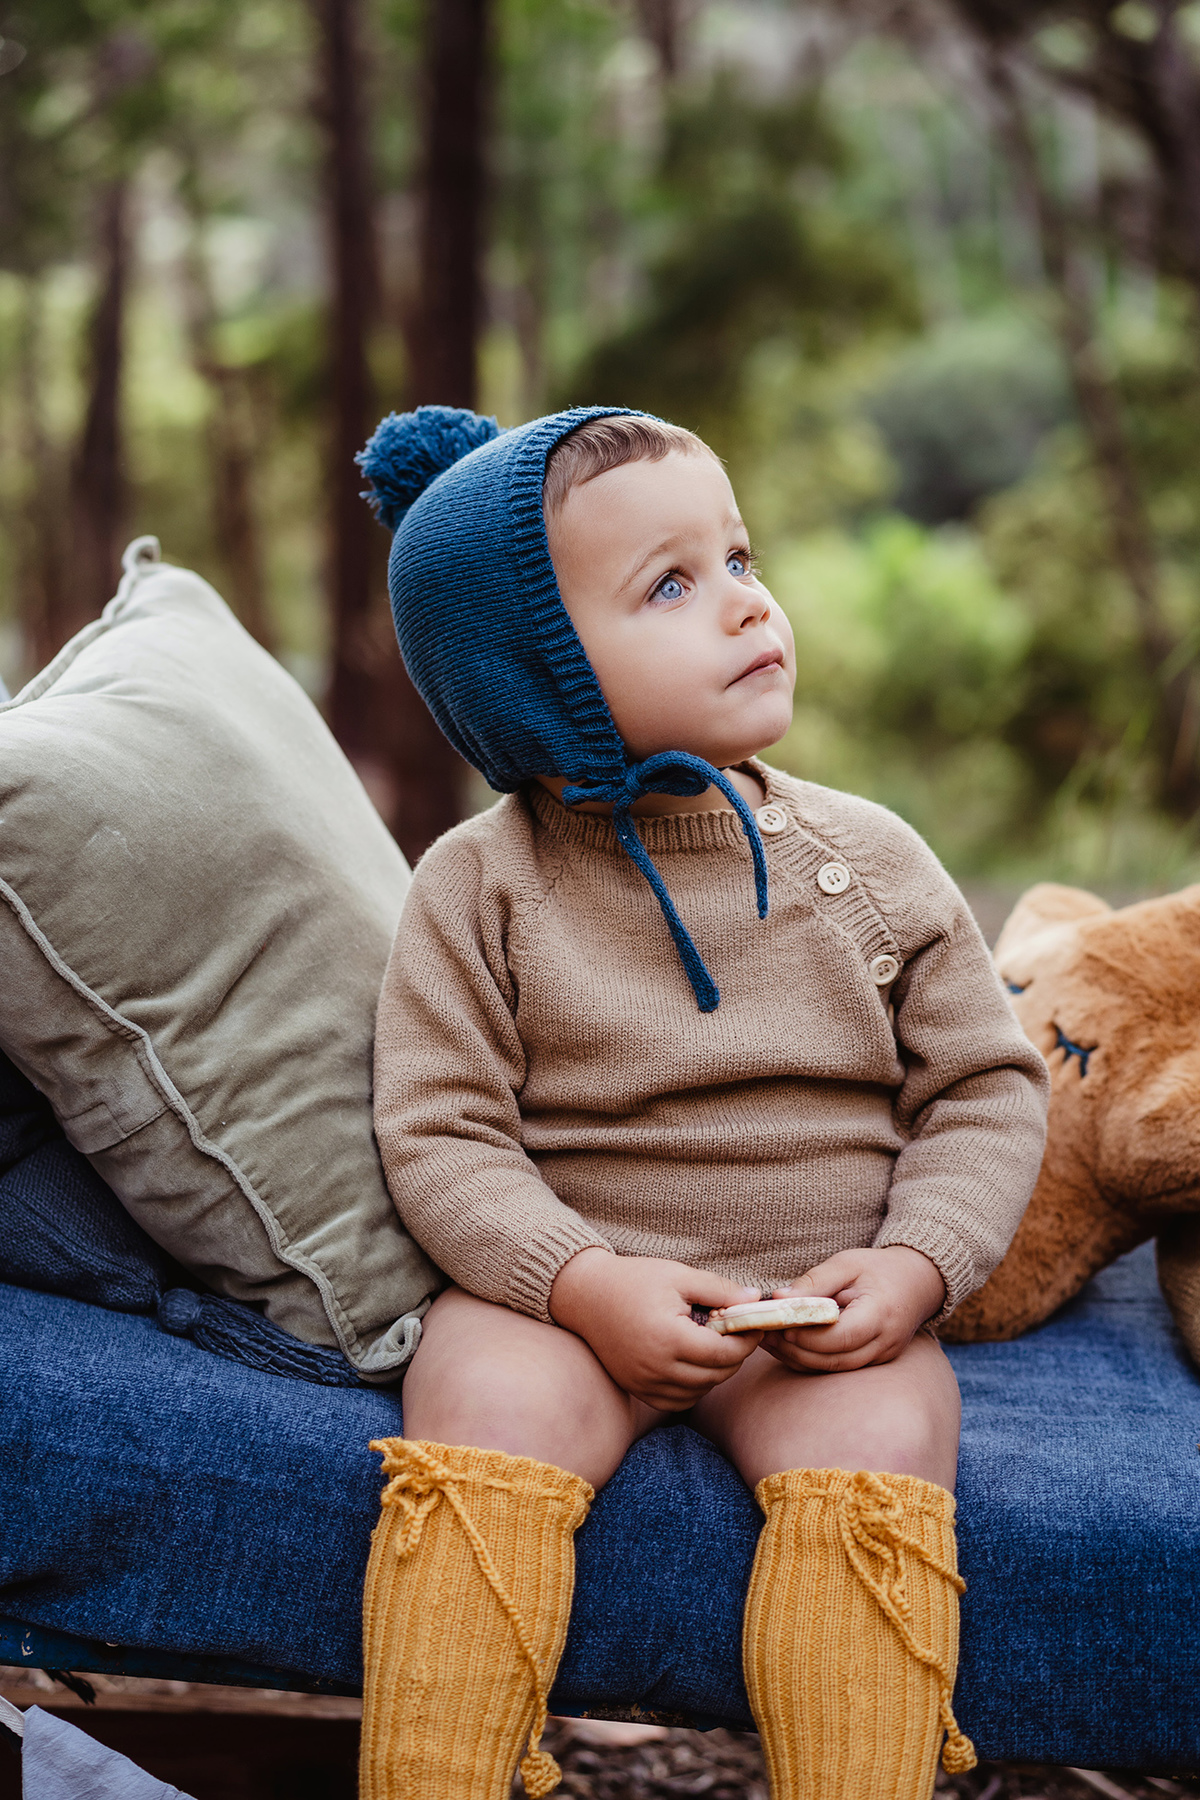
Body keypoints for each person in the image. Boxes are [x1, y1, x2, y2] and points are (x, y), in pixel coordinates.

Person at [356, 405, 1049, 1800]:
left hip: (818, 1306)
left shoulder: (871, 859)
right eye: (673, 585)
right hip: (576, 1299)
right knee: (476, 1400)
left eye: (738, 556)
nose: (747, 605)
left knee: (886, 1437)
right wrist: (578, 1282)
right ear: (528, 676)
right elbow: (441, 1130)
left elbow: (985, 1090)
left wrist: (918, 1268)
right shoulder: (481, 886)